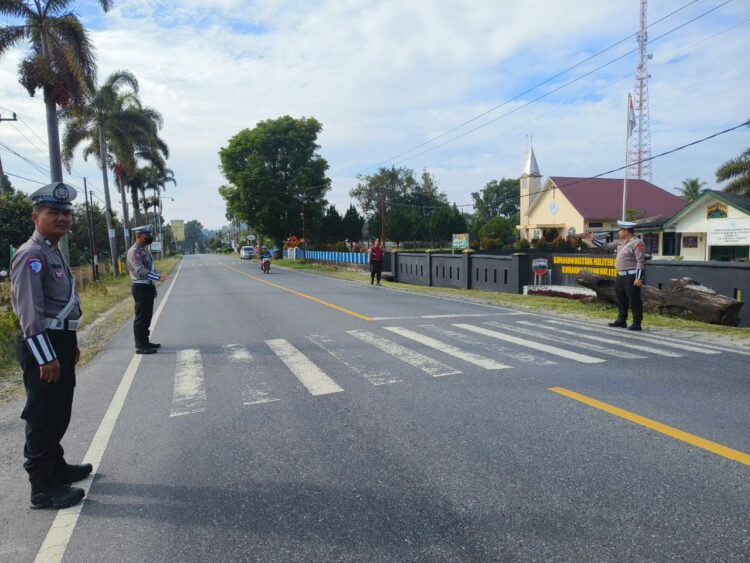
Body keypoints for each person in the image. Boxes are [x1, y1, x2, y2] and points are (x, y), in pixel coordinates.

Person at [10, 182, 90, 509]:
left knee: (59, 410)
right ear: (35, 216)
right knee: (43, 414)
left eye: (66, 213)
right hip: (41, 343)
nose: (62, 218)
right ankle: (42, 488)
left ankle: (57, 468)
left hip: (59, 340)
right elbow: (30, 313)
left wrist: (68, 344)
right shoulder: (31, 255)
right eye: (53, 212)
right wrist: (47, 357)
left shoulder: (52, 249)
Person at [583, 220, 646, 331]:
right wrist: (593, 240)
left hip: (631, 275)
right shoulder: (621, 242)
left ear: (626, 231)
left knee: (634, 299)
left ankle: (637, 323)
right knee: (621, 299)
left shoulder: (638, 243)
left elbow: (640, 261)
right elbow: (606, 246)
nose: (619, 232)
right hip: (620, 275)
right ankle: (622, 320)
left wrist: (638, 277)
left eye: (621, 230)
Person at [127, 225, 167, 354]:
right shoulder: (134, 251)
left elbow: (150, 268)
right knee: (141, 317)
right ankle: (140, 345)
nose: (149, 238)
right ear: (138, 236)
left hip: (147, 285)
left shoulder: (144, 250)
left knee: (148, 315)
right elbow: (140, 270)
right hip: (140, 286)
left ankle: (145, 341)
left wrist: (153, 284)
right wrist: (157, 277)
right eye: (146, 235)